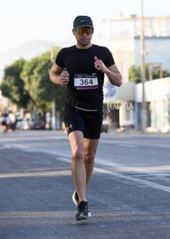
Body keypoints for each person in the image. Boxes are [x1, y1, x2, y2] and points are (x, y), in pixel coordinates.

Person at [49, 15, 122, 221]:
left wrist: (105, 69)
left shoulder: (102, 53)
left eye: (88, 31)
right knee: (78, 152)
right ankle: (83, 203)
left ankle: (79, 192)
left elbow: (118, 81)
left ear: (92, 32)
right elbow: (53, 74)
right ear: (74, 33)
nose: (85, 35)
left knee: (89, 156)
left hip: (94, 111)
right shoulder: (65, 54)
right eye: (81, 31)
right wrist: (58, 79)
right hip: (74, 109)